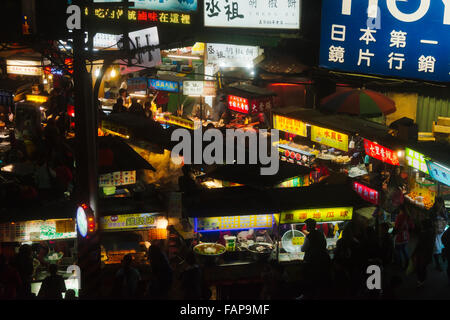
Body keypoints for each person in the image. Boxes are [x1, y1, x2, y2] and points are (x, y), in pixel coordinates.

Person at [301, 219, 331, 298]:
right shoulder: (321, 234)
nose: (306, 227)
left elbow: (303, 249)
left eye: (307, 225)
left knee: (310, 280)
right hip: (322, 260)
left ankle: (308, 295)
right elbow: (325, 244)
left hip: (311, 261)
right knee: (319, 280)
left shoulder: (309, 236)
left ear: (310, 226)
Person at [413, 219, 435, 288]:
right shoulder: (431, 232)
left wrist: (414, 253)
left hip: (422, 253)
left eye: (422, 224)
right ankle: (422, 280)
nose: (421, 225)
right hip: (427, 253)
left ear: (425, 225)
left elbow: (419, 244)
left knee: (420, 267)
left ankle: (420, 280)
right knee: (423, 267)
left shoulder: (424, 233)